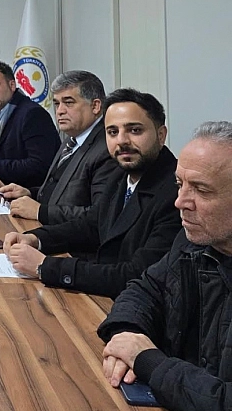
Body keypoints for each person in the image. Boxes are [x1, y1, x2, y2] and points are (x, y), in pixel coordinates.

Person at [98, 121, 232, 411]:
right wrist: (127, 335)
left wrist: (148, 361)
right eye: (180, 185)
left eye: (201, 190)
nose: (180, 202)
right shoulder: (193, 240)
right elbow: (144, 288)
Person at [3, 88, 181, 298]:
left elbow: (136, 275)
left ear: (161, 135)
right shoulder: (121, 174)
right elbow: (90, 225)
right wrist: (36, 238)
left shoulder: (177, 194)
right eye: (112, 132)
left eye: (134, 130)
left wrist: (44, 266)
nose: (122, 140)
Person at [0, 70, 119, 225]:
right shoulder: (72, 138)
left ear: (95, 106)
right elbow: (62, 193)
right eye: (57, 103)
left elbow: (99, 216)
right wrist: (29, 193)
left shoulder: (107, 149)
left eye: (68, 103)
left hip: (70, 239)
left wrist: (40, 211)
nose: (60, 111)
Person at [0, 60, 60, 188]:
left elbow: (38, 166)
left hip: (29, 192)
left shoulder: (32, 114)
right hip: (2, 187)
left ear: (12, 85)